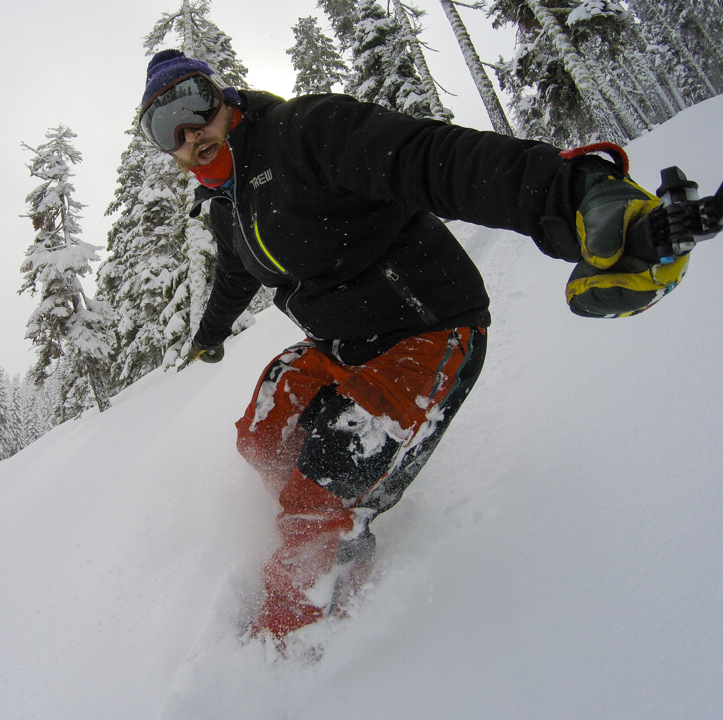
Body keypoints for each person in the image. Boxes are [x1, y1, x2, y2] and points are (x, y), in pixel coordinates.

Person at [137, 49, 686, 646]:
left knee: (316, 495)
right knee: (262, 435)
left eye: (195, 104)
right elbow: (236, 275)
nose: (191, 133)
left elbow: (432, 160)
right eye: (167, 129)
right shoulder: (228, 203)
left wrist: (577, 193)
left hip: (426, 332)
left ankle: (294, 631)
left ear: (225, 98)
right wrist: (208, 336)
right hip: (340, 345)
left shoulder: (304, 133)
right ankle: (341, 514)